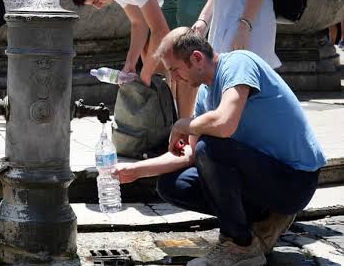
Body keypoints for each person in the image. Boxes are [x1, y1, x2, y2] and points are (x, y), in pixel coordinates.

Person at [114, 28, 326, 266]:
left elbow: (224, 124)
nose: (173, 79)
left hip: (295, 181)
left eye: (174, 69)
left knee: (211, 148)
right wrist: (135, 171)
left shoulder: (239, 63)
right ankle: (259, 220)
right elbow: (190, 154)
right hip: (264, 175)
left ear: (196, 58)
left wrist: (185, 124)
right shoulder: (205, 93)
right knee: (171, 184)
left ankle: (241, 245)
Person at [67, 0, 217, 118]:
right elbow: (138, 23)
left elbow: (159, 31)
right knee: (168, 58)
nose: (98, 6)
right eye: (93, 4)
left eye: (97, 0)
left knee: (184, 54)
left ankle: (185, 127)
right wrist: (130, 63)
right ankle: (170, 119)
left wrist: (145, 74)